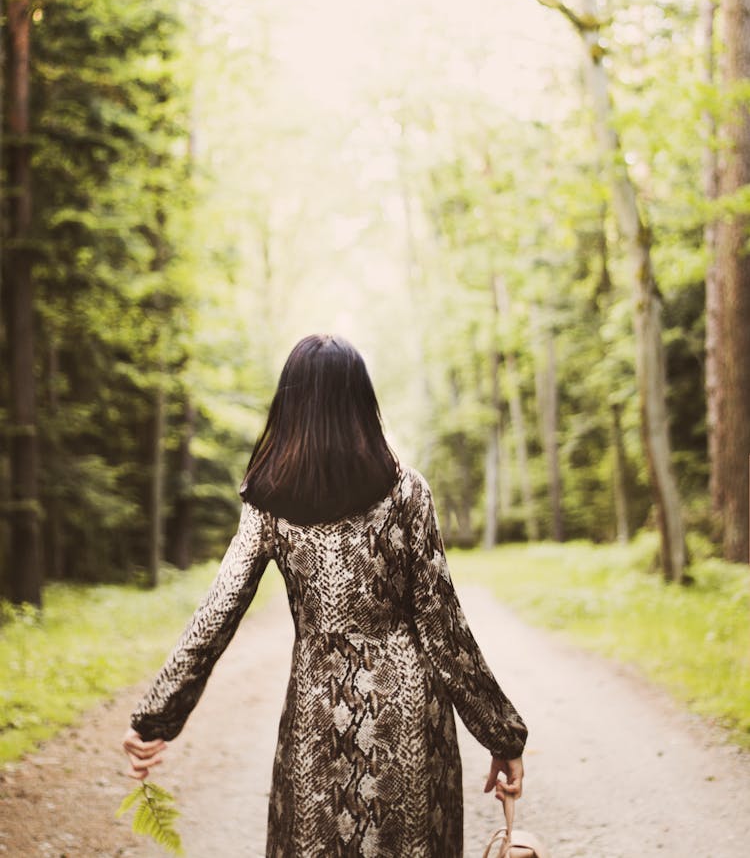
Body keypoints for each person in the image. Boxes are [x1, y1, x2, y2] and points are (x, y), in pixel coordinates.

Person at [123, 334, 527, 857]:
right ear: (362, 402)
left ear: (291, 405)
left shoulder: (268, 499)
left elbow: (217, 611)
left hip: (318, 712)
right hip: (408, 715)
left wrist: (156, 717)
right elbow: (443, 629)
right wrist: (502, 736)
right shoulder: (407, 491)